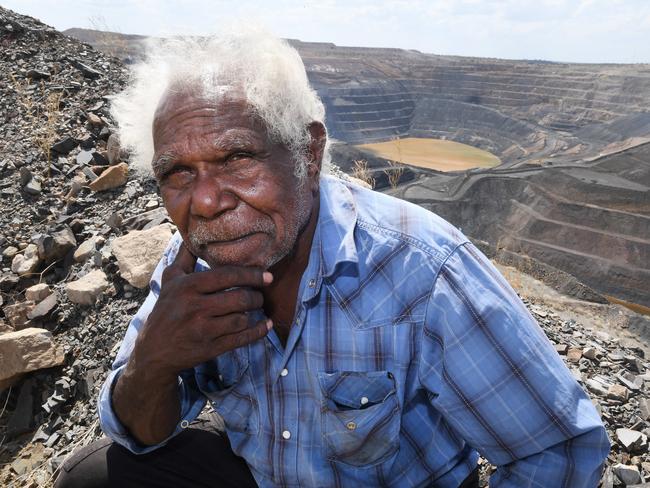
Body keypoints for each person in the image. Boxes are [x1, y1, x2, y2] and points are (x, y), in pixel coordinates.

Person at [56, 30, 610, 488]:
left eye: (238, 157)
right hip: (262, 476)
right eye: (178, 172)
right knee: (92, 477)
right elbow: (138, 430)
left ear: (309, 152)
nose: (205, 201)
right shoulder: (191, 264)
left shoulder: (423, 271)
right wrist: (154, 360)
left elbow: (558, 454)